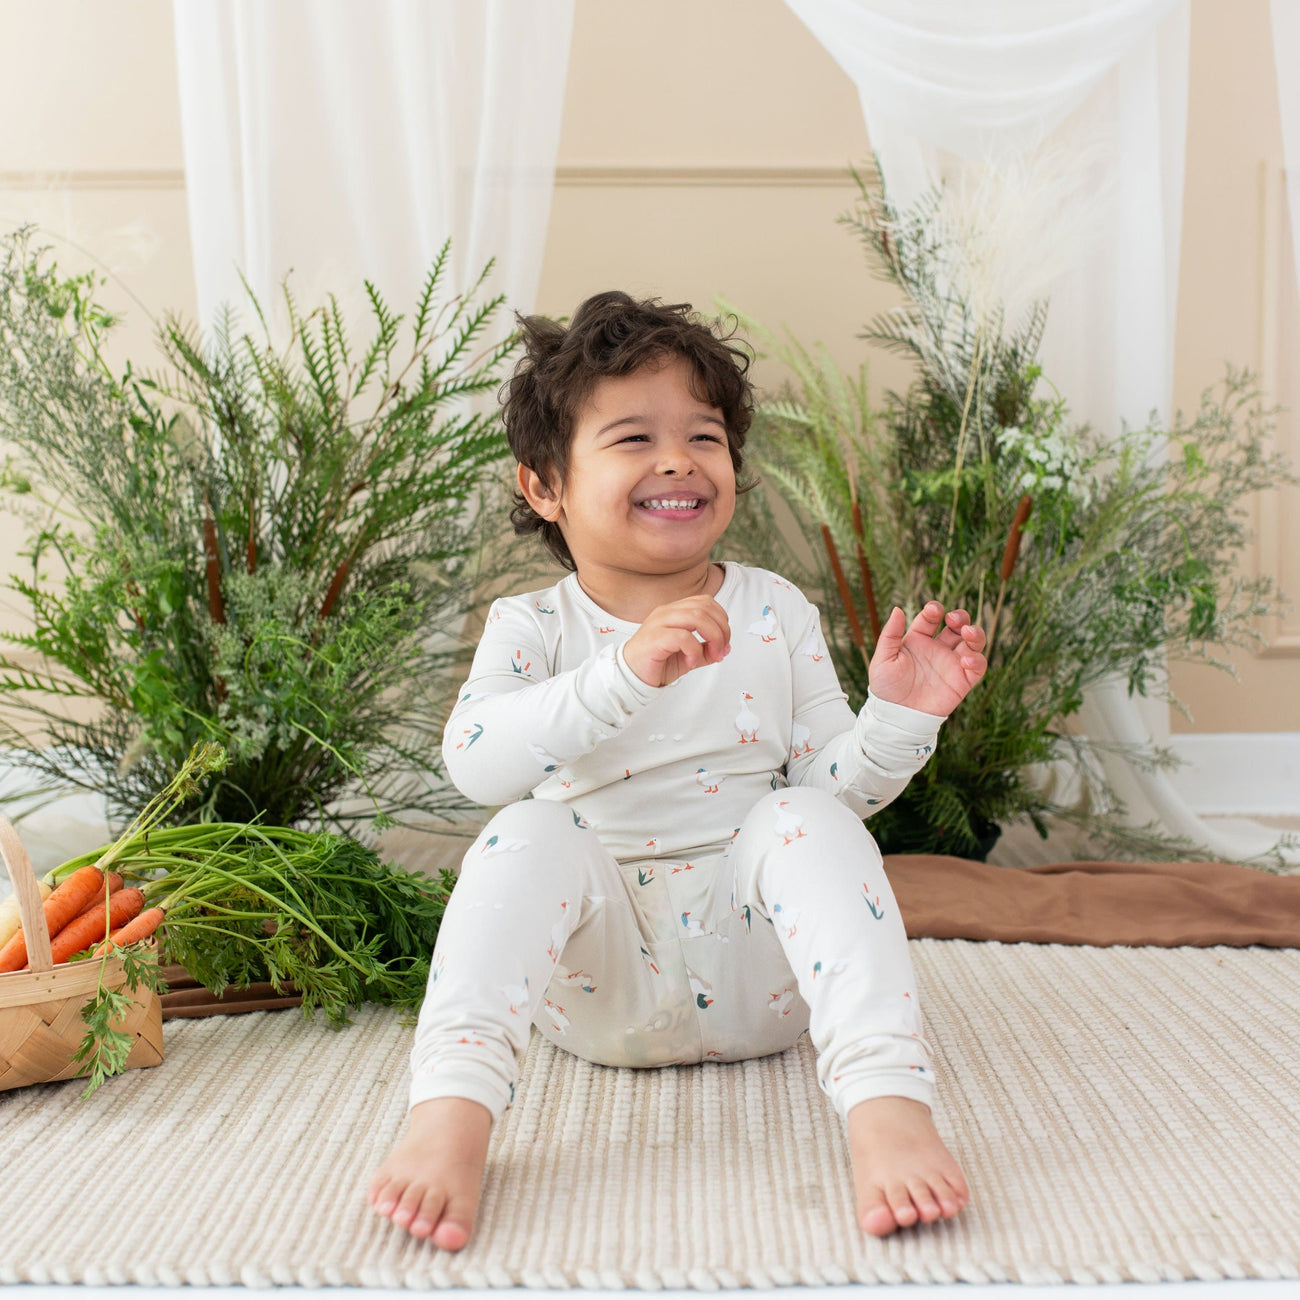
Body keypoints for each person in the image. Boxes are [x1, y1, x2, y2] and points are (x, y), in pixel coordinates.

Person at [369, 290, 986, 1251]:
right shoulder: (532, 628)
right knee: (528, 829)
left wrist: (901, 719)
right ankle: (451, 1113)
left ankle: (887, 1103)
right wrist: (618, 673)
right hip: (604, 984)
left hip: (763, 981)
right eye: (632, 438)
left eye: (704, 435)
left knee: (804, 821)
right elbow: (477, 766)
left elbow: (836, 794)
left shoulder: (774, 610)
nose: (677, 459)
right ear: (544, 487)